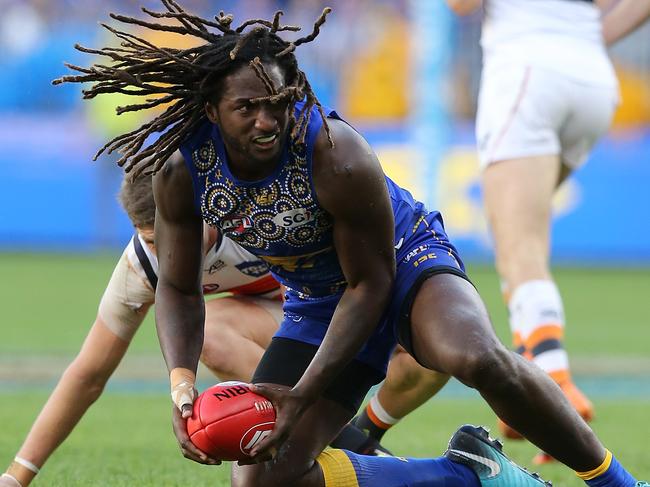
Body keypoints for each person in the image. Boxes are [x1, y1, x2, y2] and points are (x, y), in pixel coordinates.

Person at [53, 3, 646, 487]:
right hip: (318, 297)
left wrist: (302, 395)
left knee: (474, 356)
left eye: (278, 103)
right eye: (246, 108)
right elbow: (179, 288)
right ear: (211, 110)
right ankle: (465, 475)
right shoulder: (182, 169)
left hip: (404, 265)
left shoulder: (335, 152)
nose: (266, 121)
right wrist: (183, 388)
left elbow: (373, 287)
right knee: (261, 483)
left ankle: (618, 484)